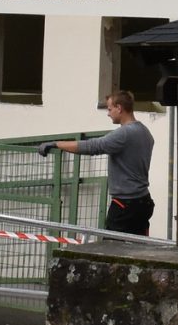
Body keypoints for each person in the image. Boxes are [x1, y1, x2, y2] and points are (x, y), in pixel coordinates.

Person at [42, 90, 155, 236]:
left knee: (112, 246)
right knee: (139, 245)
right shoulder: (145, 132)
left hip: (126, 205)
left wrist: (57, 144)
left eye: (109, 109)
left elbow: (92, 146)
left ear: (119, 108)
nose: (108, 114)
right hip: (144, 201)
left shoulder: (124, 134)